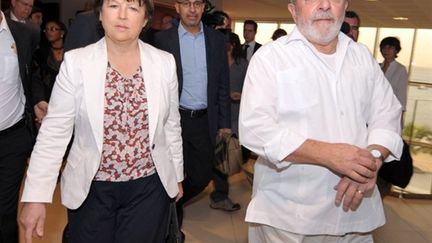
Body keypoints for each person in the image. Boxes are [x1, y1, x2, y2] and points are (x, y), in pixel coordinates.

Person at [19, 1, 184, 243]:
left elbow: (171, 124)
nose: (123, 15)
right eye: (114, 5)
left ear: (146, 19)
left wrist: (176, 174)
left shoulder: (164, 62)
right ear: (101, 14)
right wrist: (35, 196)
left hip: (149, 186)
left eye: (134, 8)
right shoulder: (76, 63)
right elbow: (54, 133)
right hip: (91, 187)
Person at [239, 0, 403, 242]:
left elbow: (387, 113)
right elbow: (255, 129)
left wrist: (373, 160)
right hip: (291, 217)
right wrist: (328, 155)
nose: (325, 5)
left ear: (345, 7)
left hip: (357, 212)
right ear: (293, 10)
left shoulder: (361, 56)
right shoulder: (270, 58)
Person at [154, 0, 231, 238]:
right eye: (185, 3)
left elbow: (222, 83)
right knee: (172, 172)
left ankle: (167, 203)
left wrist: (225, 122)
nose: (192, 9)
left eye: (197, 3)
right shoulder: (162, 40)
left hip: (203, 121)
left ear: (203, 7)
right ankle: (173, 230)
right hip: (172, 120)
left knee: (201, 176)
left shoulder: (216, 40)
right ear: (177, 7)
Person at [0, 1, 38, 241]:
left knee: (4, 212)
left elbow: (31, 73)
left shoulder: (25, 33)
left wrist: (38, 100)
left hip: (12, 137)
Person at [209, 31, 246, 212]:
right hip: (217, 116)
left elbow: (253, 88)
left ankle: (220, 194)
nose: (227, 46)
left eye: (230, 42)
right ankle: (220, 193)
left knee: (231, 154)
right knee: (218, 155)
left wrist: (242, 95)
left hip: (237, 114)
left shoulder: (243, 64)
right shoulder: (213, 62)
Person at [32, 20, 67, 125]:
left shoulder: (72, 52)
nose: (48, 32)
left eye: (52, 29)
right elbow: (36, 79)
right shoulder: (40, 53)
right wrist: (40, 99)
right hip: (48, 100)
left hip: (68, 99)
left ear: (62, 33)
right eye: (46, 29)